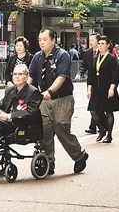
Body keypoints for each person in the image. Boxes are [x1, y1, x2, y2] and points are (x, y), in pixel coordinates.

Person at [28, 28, 88, 175]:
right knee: (45, 131)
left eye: (45, 39)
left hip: (63, 98)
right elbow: (31, 77)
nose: (41, 42)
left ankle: (79, 156)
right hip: (44, 100)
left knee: (60, 127)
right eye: (40, 40)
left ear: (53, 40)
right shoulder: (37, 57)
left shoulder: (62, 55)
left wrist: (49, 91)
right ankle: (49, 163)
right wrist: (24, 92)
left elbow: (61, 77)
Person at [0, 64, 42, 158]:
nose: (17, 76)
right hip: (5, 123)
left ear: (26, 77)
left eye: (20, 74)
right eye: (15, 74)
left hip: (21, 125)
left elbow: (31, 112)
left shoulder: (33, 92)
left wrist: (8, 116)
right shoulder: (10, 90)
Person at [87, 35, 119, 143]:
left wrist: (112, 88)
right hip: (96, 89)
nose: (100, 46)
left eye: (103, 44)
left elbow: (116, 75)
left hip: (107, 88)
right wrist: (89, 89)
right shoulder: (94, 59)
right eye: (99, 44)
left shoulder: (112, 59)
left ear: (108, 45)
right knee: (93, 110)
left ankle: (109, 134)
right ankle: (101, 129)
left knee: (109, 112)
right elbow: (91, 76)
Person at [74, 33, 106, 135]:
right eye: (90, 40)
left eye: (92, 40)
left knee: (98, 106)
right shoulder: (88, 53)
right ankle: (96, 126)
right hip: (91, 82)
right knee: (94, 106)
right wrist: (79, 73)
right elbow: (84, 65)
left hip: (102, 82)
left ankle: (101, 126)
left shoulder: (103, 53)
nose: (90, 42)